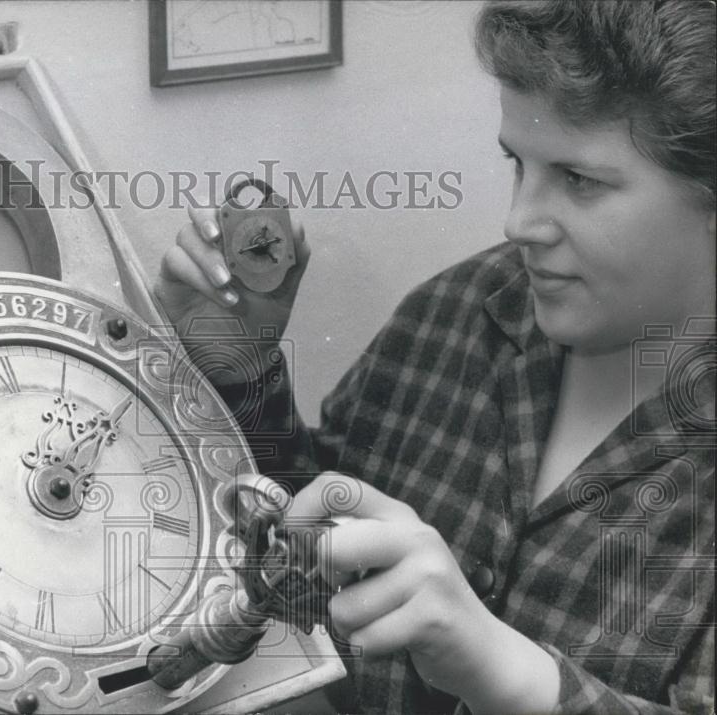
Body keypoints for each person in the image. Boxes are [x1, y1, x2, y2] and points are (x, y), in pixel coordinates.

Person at [153, 1, 716, 713]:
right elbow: (311, 547)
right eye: (519, 165)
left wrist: (507, 675)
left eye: (579, 180)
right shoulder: (460, 310)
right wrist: (240, 371)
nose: (519, 222)